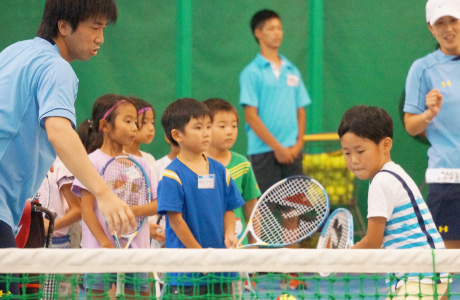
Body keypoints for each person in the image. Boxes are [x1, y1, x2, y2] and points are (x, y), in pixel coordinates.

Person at [0, 1, 136, 294]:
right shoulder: (56, 67)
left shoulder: (13, 53)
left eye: (103, 29)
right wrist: (103, 193)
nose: (100, 38)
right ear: (63, 26)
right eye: (95, 27)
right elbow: (59, 131)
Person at [338, 105, 448, 299]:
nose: (353, 160)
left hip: (420, 275)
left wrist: (340, 257)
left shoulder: (382, 181)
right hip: (426, 272)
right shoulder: (392, 174)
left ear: (386, 145)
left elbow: (373, 242)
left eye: (360, 151)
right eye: (347, 153)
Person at [72, 94, 158, 299]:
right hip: (99, 249)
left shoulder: (142, 163)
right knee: (98, 295)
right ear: (105, 125)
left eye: (135, 123)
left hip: (137, 247)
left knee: (137, 295)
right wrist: (105, 243)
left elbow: (157, 204)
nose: (134, 128)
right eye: (127, 121)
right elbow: (86, 210)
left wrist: (129, 212)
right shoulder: (91, 163)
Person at [157, 98, 244, 298]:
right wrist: (200, 256)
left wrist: (229, 233)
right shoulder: (172, 176)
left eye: (208, 126)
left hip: (221, 269)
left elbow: (229, 209)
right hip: (188, 270)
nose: (206, 132)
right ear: (177, 135)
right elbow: (176, 221)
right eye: (198, 127)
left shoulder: (221, 171)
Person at [403, 0, 460, 251]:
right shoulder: (422, 69)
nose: (448, 29)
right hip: (447, 179)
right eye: (440, 23)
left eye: (453, 21)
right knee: (446, 265)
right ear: (430, 28)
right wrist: (429, 114)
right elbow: (410, 126)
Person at [239, 9, 311, 195]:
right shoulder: (251, 73)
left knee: (293, 209)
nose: (277, 33)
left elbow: (300, 110)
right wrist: (277, 148)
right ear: (258, 32)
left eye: (280, 28)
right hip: (262, 152)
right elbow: (251, 116)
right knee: (263, 209)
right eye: (271, 28)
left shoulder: (292, 70)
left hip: (292, 152)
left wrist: (297, 145)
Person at [203, 98, 261, 245]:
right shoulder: (193, 165)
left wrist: (253, 248)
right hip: (202, 248)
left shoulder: (242, 164)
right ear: (205, 128)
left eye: (234, 126)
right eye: (222, 126)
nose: (229, 131)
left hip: (237, 248)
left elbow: (252, 212)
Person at [122, 97, 165, 247]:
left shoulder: (149, 159)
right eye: (144, 122)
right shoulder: (117, 159)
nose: (151, 128)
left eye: (152, 122)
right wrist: (143, 227)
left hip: (150, 239)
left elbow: (157, 199)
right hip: (124, 235)